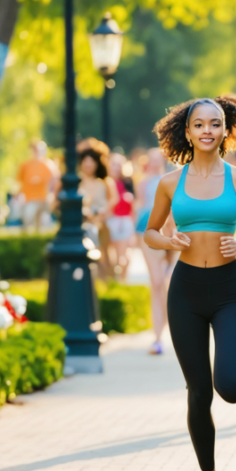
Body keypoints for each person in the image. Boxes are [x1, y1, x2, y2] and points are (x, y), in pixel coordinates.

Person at [144, 94, 236, 471]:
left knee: (230, 387)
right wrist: (166, 239)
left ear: (226, 130)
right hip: (185, 293)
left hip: (229, 291)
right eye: (199, 124)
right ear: (187, 130)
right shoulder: (169, 182)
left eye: (215, 124)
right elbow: (149, 232)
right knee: (199, 391)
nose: (207, 131)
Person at [135, 148, 178, 356]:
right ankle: (158, 337)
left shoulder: (172, 179)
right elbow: (141, 206)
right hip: (149, 229)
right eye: (150, 160)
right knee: (157, 283)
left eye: (156, 159)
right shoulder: (143, 182)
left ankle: (178, 328)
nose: (153, 163)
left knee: (172, 281)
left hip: (174, 231)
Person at [77, 139, 119, 279]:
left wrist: (103, 210)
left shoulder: (104, 182)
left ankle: (107, 278)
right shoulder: (78, 181)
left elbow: (113, 199)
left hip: (101, 223)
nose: (88, 165)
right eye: (85, 162)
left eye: (91, 162)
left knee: (104, 253)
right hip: (83, 224)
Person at [17, 141, 58, 233]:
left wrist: (53, 195)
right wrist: (19, 195)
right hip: (30, 198)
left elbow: (55, 181)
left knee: (44, 224)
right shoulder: (25, 165)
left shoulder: (49, 165)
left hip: (44, 198)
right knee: (28, 220)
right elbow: (20, 182)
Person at [108, 153, 137, 281]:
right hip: (111, 219)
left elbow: (134, 205)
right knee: (111, 253)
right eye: (113, 164)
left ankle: (122, 279)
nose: (116, 168)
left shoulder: (127, 182)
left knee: (124, 254)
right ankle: (114, 279)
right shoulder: (106, 182)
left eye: (118, 165)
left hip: (125, 220)